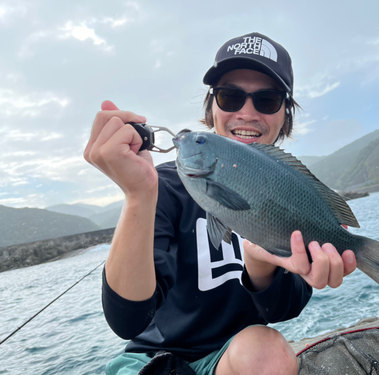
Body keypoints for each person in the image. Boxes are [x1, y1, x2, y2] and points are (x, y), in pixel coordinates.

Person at [84, 32, 357, 375]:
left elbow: (283, 310)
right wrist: (138, 196)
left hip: (235, 359)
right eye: (230, 97)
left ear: (284, 114)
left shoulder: (293, 191)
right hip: (152, 363)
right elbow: (129, 320)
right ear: (211, 106)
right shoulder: (161, 187)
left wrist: (260, 266)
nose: (246, 112)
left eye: (267, 100)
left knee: (268, 352)